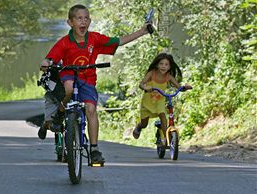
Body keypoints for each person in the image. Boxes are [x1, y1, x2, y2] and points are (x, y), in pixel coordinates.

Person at [40, 4, 152, 163]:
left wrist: (142, 31)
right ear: (70, 22)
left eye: (86, 18)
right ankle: (60, 110)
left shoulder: (95, 39)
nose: (83, 22)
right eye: (79, 18)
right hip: (69, 74)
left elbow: (119, 41)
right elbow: (51, 57)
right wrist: (46, 62)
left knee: (91, 109)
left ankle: (94, 149)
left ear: (90, 21)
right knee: (69, 89)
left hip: (87, 79)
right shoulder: (65, 42)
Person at [132, 53, 191, 145]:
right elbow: (141, 84)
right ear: (156, 65)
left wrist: (185, 88)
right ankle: (139, 126)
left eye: (166, 64)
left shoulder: (168, 77)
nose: (163, 66)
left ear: (170, 67)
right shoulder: (152, 73)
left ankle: (166, 139)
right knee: (144, 124)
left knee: (163, 116)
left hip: (159, 101)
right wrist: (145, 87)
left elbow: (179, 87)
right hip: (148, 102)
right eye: (161, 64)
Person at [37, 62, 65, 140]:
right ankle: (45, 124)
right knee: (52, 126)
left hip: (72, 92)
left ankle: (78, 132)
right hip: (54, 94)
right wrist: (47, 66)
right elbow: (44, 62)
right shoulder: (54, 56)